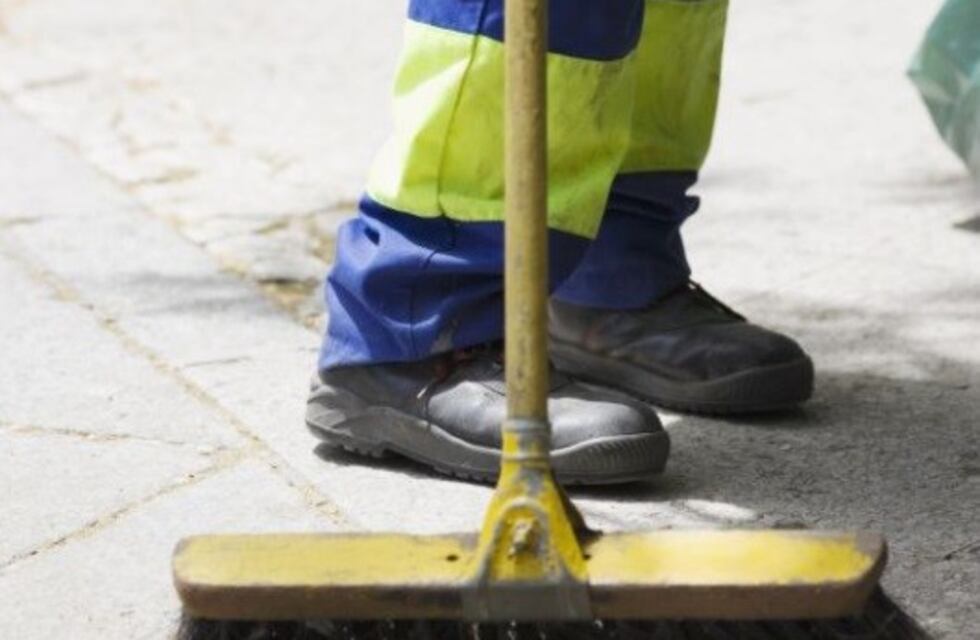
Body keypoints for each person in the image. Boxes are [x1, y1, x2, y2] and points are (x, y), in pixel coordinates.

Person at [306, 0, 813, 485]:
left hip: (614, 257)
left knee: (664, 11)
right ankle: (419, 326)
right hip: (422, 329)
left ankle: (605, 271)